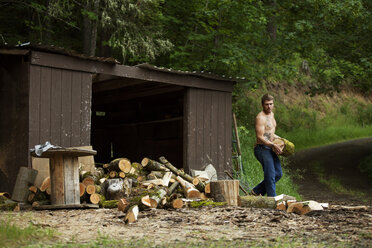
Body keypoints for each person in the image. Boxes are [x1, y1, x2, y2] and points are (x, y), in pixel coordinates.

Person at [251, 94, 283, 197]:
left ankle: (256, 191)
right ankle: (272, 200)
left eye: (271, 104)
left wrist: (281, 140)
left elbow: (270, 133)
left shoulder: (272, 115)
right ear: (262, 105)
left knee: (278, 173)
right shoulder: (260, 118)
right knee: (270, 176)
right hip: (262, 148)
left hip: (270, 147)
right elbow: (260, 136)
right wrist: (273, 144)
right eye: (266, 104)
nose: (269, 107)